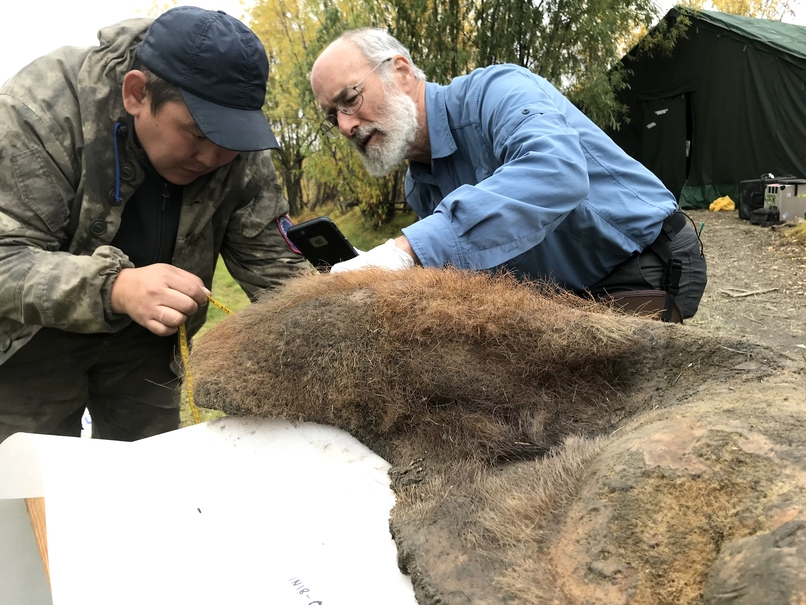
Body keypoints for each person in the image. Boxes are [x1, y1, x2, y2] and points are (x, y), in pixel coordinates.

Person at [0, 7, 311, 443]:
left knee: (144, 485)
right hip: (30, 343)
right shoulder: (41, 111)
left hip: (147, 348)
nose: (213, 159)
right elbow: (5, 259)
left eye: (231, 143)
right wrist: (115, 288)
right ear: (136, 94)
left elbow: (280, 274)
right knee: (33, 494)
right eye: (198, 135)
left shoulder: (234, 146)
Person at [309, 29, 707, 321]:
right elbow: (462, 261)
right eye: (333, 117)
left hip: (641, 262)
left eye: (350, 99)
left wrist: (406, 250)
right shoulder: (418, 183)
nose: (346, 126)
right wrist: (386, 268)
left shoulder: (497, 92)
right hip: (563, 293)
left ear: (401, 70)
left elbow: (557, 172)